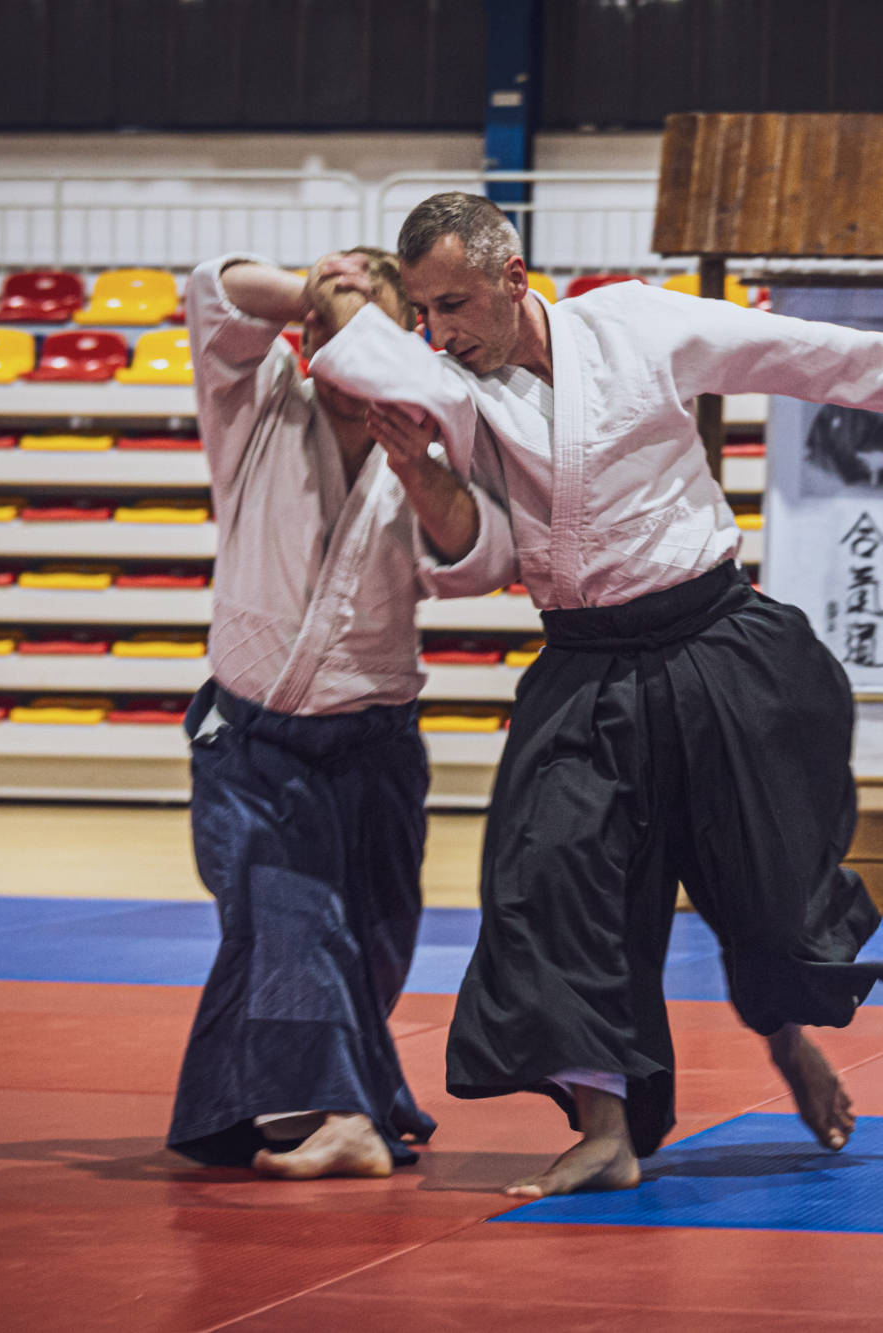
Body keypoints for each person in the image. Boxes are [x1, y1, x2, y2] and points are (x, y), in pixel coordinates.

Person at [310, 193, 883, 1199]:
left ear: (514, 279)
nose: (439, 331)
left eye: (455, 304)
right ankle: (607, 1127)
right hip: (584, 666)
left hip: (714, 645)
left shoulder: (632, 324)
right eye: (423, 310)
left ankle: (787, 1042)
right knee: (550, 882)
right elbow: (477, 560)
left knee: (766, 898)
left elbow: (786, 349)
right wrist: (420, 472)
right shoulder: (449, 390)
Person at [166, 246, 513, 1179]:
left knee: (373, 933)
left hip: (375, 740)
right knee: (288, 910)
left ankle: (285, 1105)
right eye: (317, 320)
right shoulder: (253, 402)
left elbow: (480, 560)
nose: (325, 334)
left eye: (358, 320)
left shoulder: (438, 428)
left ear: (400, 339)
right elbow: (214, 284)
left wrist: (421, 471)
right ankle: (340, 1113)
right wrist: (330, 293)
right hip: (251, 738)